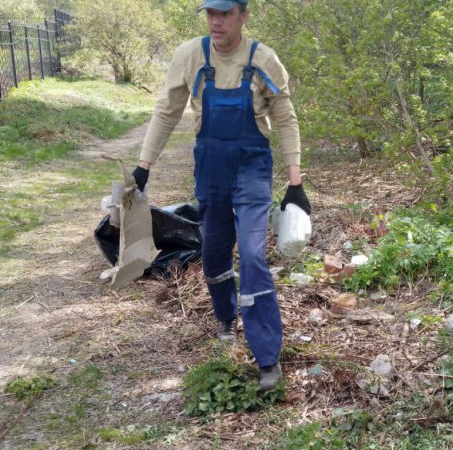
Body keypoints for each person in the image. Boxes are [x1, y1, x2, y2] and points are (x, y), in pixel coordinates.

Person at [131, 0, 310, 391]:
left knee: (252, 253)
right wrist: (144, 166)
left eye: (225, 14)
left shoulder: (262, 58)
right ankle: (226, 316)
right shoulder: (190, 55)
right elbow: (167, 111)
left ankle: (267, 357)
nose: (216, 21)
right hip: (210, 165)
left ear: (243, 16)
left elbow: (284, 115)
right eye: (211, 13)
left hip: (251, 166)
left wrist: (295, 180)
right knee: (213, 249)